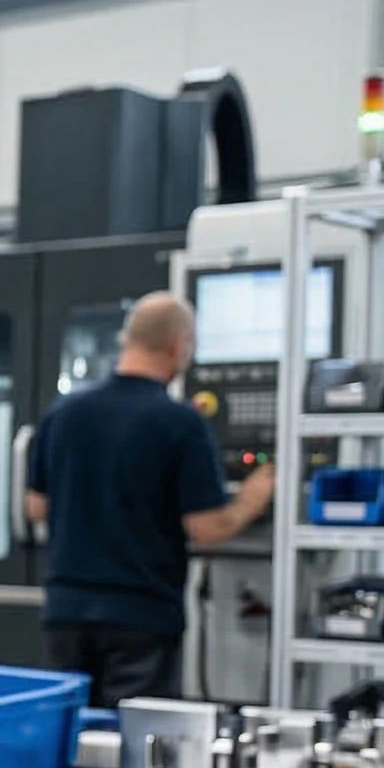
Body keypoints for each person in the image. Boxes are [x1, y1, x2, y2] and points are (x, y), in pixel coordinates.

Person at [26, 292, 274, 707]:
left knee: (73, 739)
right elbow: (207, 528)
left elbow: (36, 508)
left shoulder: (64, 412)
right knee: (135, 747)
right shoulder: (180, 422)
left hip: (66, 614)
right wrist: (254, 496)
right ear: (179, 346)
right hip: (139, 617)